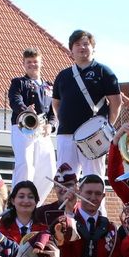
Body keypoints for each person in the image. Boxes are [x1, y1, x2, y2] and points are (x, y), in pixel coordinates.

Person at [52, 30, 122, 179]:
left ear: (92, 47)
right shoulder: (63, 75)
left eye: (85, 44)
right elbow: (56, 104)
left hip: (94, 136)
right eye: (77, 44)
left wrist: (106, 129)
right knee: (65, 179)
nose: (82, 47)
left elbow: (116, 103)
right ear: (71, 49)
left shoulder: (104, 72)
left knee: (94, 178)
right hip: (66, 134)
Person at [8, 48, 58, 201]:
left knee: (49, 170)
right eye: (28, 62)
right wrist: (26, 111)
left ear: (41, 63)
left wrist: (51, 124)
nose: (32, 64)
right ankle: (15, 203)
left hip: (43, 130)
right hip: (23, 128)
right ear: (23, 64)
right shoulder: (18, 83)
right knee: (25, 167)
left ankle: (35, 203)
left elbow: (53, 109)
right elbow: (15, 100)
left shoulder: (49, 86)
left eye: (35, 61)